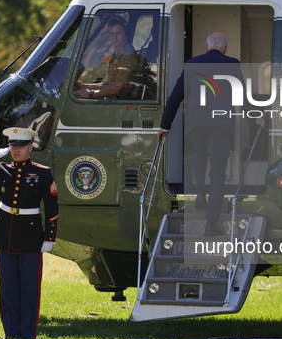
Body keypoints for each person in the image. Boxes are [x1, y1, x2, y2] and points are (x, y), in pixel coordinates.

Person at [157, 33, 263, 236]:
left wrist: (165, 125)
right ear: (224, 48)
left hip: (197, 123)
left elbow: (176, 96)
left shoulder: (192, 64)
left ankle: (199, 195)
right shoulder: (232, 65)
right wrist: (255, 118)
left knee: (198, 154)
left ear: (206, 47)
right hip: (221, 125)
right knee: (217, 174)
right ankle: (210, 223)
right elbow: (242, 94)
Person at [0, 127, 59, 339]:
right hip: (5, 233)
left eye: (20, 146)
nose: (16, 150)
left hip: (30, 235)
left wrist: (49, 238)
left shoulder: (42, 173)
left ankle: (27, 334)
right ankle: (10, 332)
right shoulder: (1, 169)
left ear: (30, 147)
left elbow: (52, 208)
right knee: (8, 288)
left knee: (29, 288)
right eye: (12, 146)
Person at [75, 15, 140, 100]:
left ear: (126, 33)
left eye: (118, 33)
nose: (115, 37)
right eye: (111, 34)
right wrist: (84, 86)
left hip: (122, 105)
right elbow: (110, 84)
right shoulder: (119, 55)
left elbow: (116, 89)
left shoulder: (128, 57)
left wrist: (91, 94)